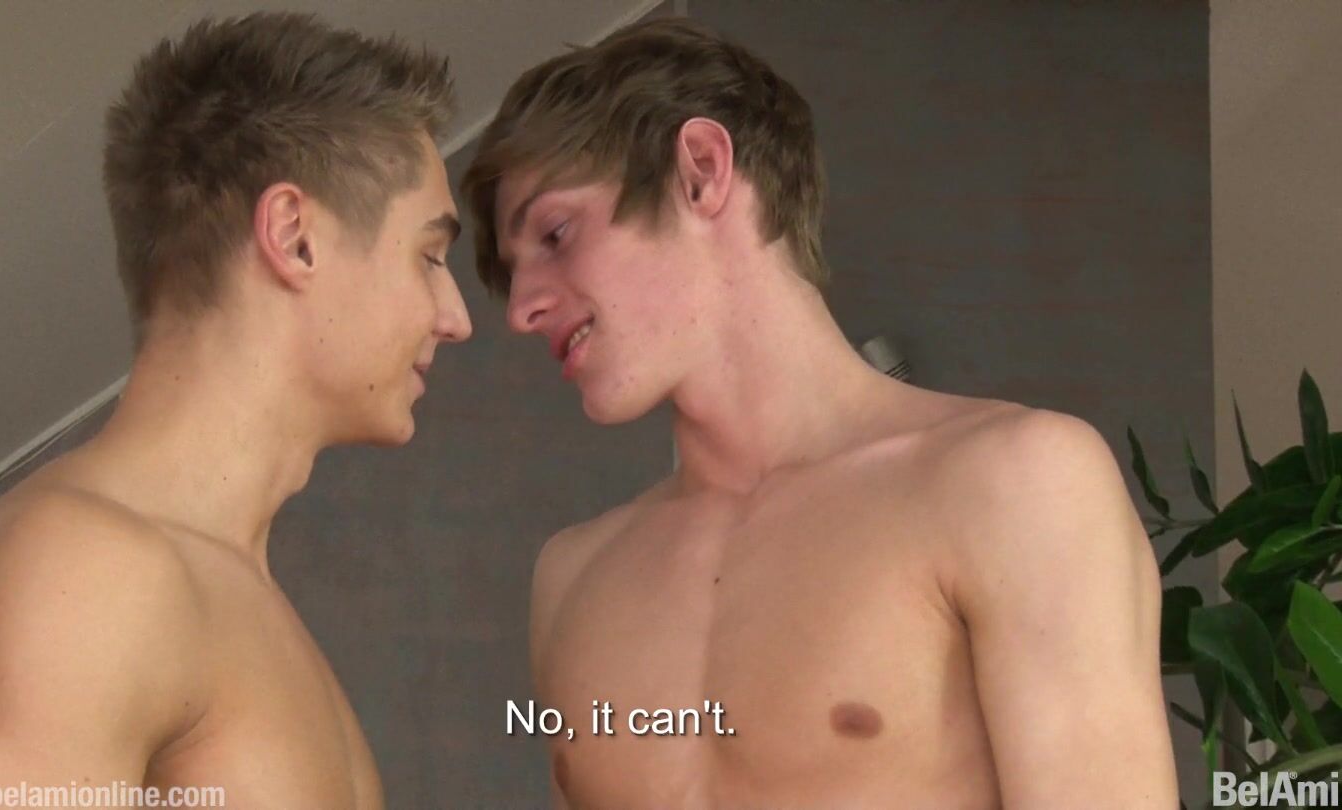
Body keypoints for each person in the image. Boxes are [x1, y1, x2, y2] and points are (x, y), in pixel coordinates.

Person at [463, 17, 1175, 809]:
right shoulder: (571, 576)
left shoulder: (1015, 482)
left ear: (701, 172)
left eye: (556, 234)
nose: (521, 309)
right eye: (512, 274)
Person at [0, 13, 469, 808]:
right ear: (295, 237)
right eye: (430, 256)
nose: (455, 316)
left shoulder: (229, 594)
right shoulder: (83, 573)